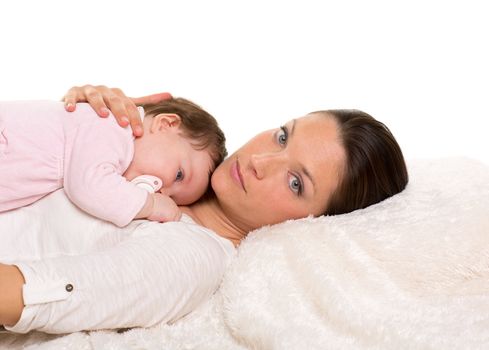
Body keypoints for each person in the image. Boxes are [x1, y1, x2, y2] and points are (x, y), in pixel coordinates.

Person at [0, 85, 408, 334]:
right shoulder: (172, 164)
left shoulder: (190, 255)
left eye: (296, 182)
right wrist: (82, 116)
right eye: (283, 136)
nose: (259, 162)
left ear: (312, 224)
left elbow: (34, 295)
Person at [0, 97, 227, 226]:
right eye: (178, 175)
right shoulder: (111, 126)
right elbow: (90, 187)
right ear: (166, 124)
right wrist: (151, 205)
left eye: (172, 198)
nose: (161, 192)